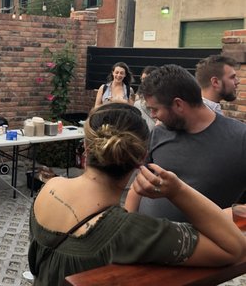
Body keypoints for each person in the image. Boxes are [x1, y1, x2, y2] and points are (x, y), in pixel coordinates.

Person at [28, 103, 246, 285]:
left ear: (85, 146)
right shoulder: (131, 232)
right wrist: (178, 190)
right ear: (142, 157)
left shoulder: (49, 188)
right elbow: (233, 248)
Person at [126, 64, 246, 221]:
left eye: (155, 109)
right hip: (145, 232)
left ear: (178, 104)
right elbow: (139, 184)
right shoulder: (159, 132)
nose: (153, 115)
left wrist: (214, 223)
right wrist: (126, 225)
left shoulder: (240, 137)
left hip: (205, 237)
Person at [133, 65, 158, 130]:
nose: (144, 81)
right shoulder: (139, 92)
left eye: (147, 79)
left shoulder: (161, 94)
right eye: (142, 79)